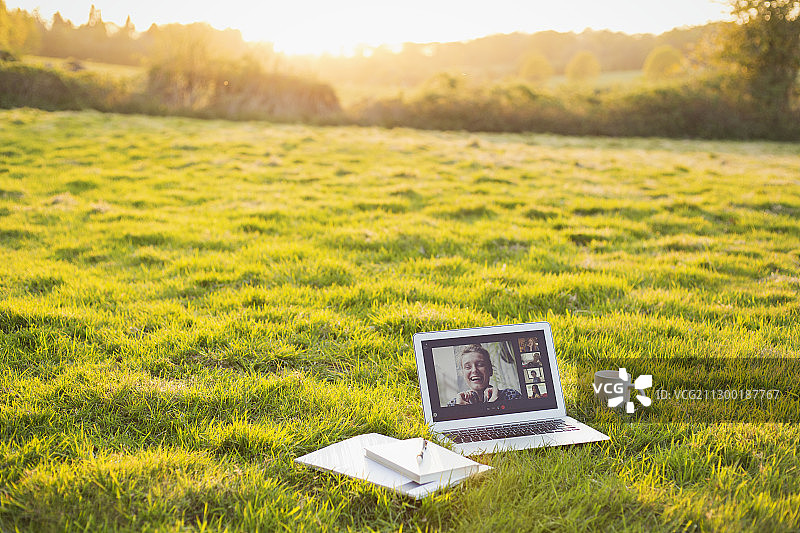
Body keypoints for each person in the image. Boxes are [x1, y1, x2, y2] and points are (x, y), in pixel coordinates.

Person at [447, 344, 522, 406]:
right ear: (463, 373)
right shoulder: (454, 404)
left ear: (490, 370)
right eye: (468, 367)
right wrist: (462, 410)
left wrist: (494, 405)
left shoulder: (511, 396)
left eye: (480, 365)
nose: (474, 370)